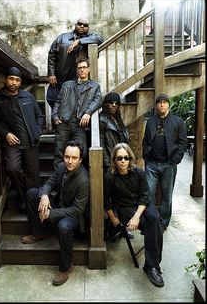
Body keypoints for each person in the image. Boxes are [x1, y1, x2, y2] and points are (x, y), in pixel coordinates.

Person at [21, 140, 90, 286]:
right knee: (33, 193)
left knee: (64, 226)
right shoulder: (61, 167)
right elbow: (49, 183)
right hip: (60, 204)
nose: (69, 161)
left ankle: (65, 267)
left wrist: (50, 214)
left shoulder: (84, 179)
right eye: (67, 157)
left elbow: (77, 210)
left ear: (80, 159)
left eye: (74, 158)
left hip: (75, 216)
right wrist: (44, 195)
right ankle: (40, 232)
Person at [104, 143, 164, 287]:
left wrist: (137, 216)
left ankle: (152, 266)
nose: (123, 161)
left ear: (130, 158)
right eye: (119, 158)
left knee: (155, 219)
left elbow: (145, 195)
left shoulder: (139, 172)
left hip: (142, 204)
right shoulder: (110, 176)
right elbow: (106, 200)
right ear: (114, 160)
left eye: (126, 157)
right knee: (152, 225)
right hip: (125, 208)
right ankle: (153, 264)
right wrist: (113, 218)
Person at [0, 67, 44, 212]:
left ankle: (32, 202)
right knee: (12, 169)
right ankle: (23, 198)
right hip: (12, 144)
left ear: (20, 82)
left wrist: (37, 131)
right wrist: (5, 134)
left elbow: (39, 116)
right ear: (6, 79)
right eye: (11, 79)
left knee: (33, 174)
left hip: (31, 142)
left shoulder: (28, 97)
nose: (14, 82)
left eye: (17, 80)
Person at [142, 93, 187, 231]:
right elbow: (145, 140)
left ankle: (163, 223)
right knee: (148, 194)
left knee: (167, 196)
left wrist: (175, 159)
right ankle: (149, 222)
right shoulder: (150, 120)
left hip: (169, 164)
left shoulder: (178, 121)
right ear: (156, 105)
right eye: (159, 102)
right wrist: (147, 156)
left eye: (164, 102)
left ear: (168, 104)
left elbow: (182, 142)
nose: (162, 104)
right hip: (152, 164)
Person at [52, 55, 103, 168]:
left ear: (88, 69)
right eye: (80, 68)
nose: (82, 70)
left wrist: (88, 112)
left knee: (82, 151)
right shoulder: (67, 85)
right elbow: (58, 101)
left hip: (79, 125)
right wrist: (55, 117)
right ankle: (60, 179)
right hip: (63, 122)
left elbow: (98, 100)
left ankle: (76, 178)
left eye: (84, 67)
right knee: (59, 152)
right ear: (77, 70)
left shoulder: (94, 86)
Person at [46, 17, 104, 109]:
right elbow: (52, 55)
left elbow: (100, 38)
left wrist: (79, 41)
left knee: (74, 105)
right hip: (60, 79)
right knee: (52, 99)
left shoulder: (90, 38)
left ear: (88, 28)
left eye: (85, 25)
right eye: (79, 24)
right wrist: (51, 74)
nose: (82, 26)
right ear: (75, 25)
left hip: (78, 80)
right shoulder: (62, 38)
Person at [99, 92, 133, 239]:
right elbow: (101, 144)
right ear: (105, 103)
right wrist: (108, 164)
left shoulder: (118, 119)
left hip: (122, 163)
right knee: (111, 198)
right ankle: (114, 227)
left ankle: (123, 227)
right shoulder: (102, 120)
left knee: (122, 197)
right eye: (111, 102)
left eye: (116, 103)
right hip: (111, 165)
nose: (113, 105)